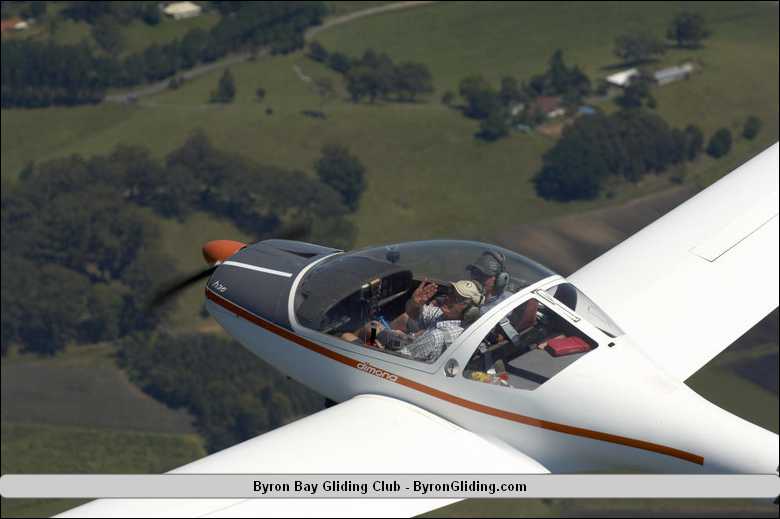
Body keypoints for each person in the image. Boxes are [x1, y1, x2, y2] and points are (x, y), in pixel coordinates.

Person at [374, 280, 484, 362]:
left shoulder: (437, 336)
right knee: (380, 326)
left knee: (371, 329)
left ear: (469, 311)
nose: (447, 298)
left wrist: (377, 344)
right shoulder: (448, 318)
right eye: (450, 293)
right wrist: (415, 303)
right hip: (414, 349)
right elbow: (416, 314)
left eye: (456, 299)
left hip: (399, 364)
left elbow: (401, 359)